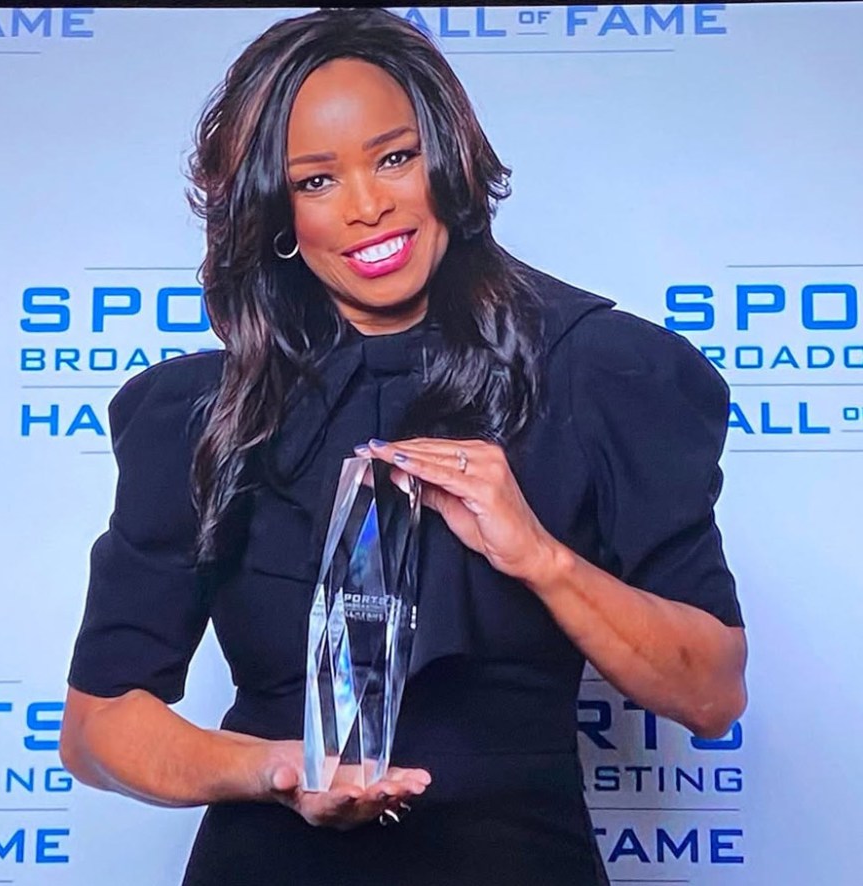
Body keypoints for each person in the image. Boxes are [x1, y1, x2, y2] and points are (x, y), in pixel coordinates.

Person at [60, 8, 747, 885]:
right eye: (316, 181)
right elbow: (95, 725)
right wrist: (269, 771)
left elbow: (711, 691)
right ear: (276, 212)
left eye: (393, 157)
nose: (367, 204)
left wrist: (540, 556)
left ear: (447, 161)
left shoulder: (603, 370)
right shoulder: (202, 409)